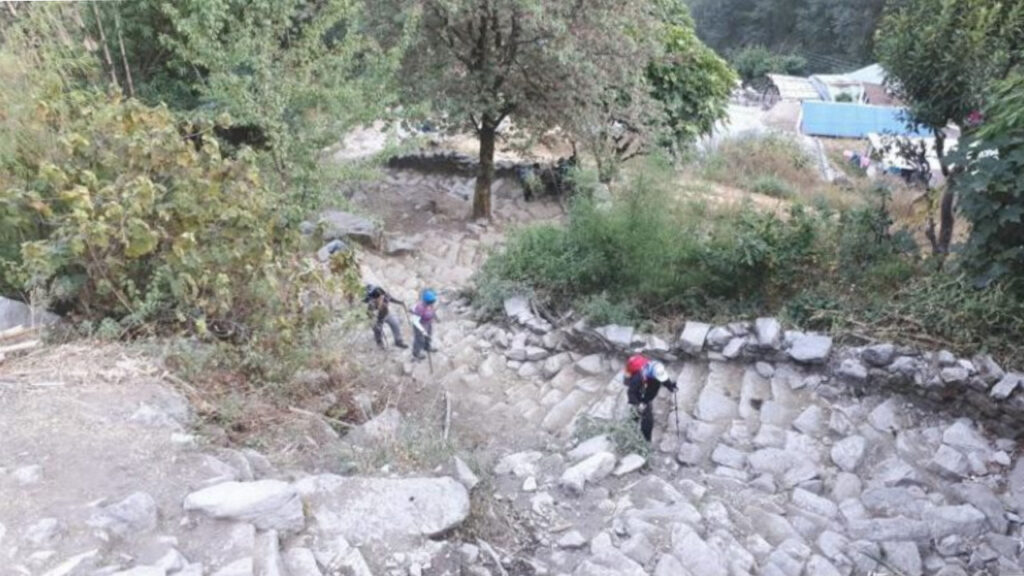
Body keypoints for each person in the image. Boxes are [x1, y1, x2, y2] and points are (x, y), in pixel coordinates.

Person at [624, 354, 677, 442]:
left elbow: (664, 379)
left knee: (643, 414)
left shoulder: (657, 371)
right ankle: (642, 439)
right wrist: (638, 404)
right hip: (639, 394)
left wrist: (671, 387)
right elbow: (631, 392)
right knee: (646, 419)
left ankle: (637, 433)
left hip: (647, 393)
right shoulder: (638, 377)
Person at [363, 285, 407, 349]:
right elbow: (369, 314)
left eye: (381, 297)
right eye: (378, 298)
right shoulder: (371, 303)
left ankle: (398, 341)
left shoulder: (386, 296)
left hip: (386, 314)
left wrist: (400, 302)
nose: (380, 298)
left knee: (395, 324)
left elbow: (392, 299)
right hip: (377, 318)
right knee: (377, 329)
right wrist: (373, 320)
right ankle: (379, 343)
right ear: (374, 298)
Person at [410, 289, 438, 360]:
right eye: (432, 302)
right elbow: (415, 321)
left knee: (428, 336)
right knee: (419, 339)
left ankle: (427, 347)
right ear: (427, 301)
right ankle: (416, 353)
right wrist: (422, 330)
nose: (433, 303)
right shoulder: (420, 308)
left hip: (428, 323)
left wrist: (435, 317)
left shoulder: (430, 305)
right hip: (419, 324)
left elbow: (432, 311)